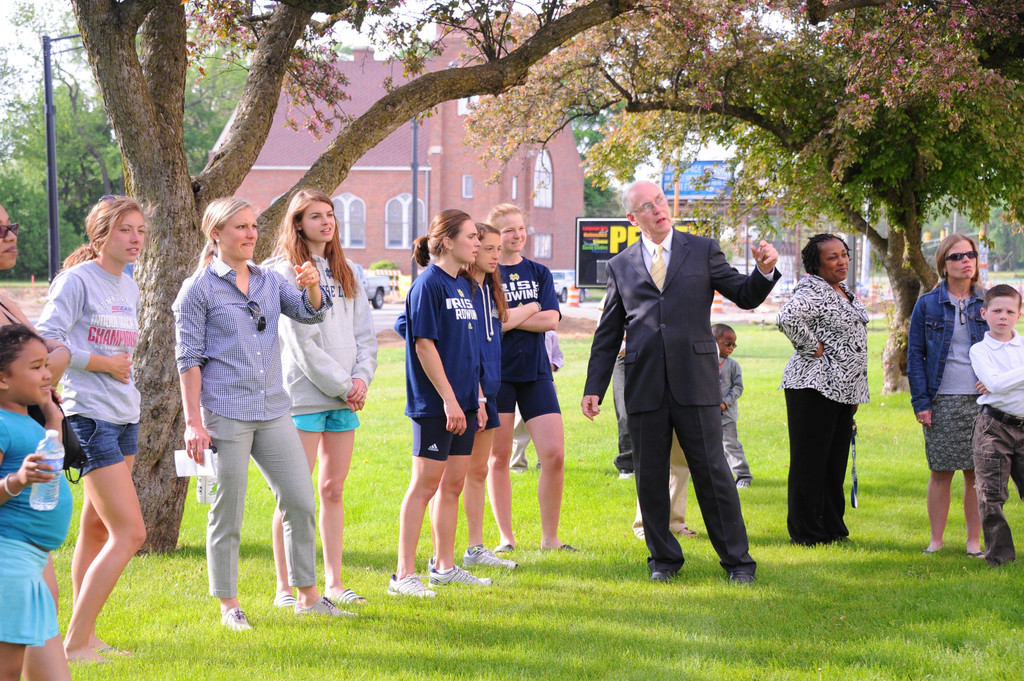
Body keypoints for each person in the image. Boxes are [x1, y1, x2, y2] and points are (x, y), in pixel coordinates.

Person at [582, 180, 779, 583]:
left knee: (713, 474)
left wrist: (763, 271)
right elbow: (608, 333)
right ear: (632, 218)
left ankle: (738, 563)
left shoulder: (702, 249)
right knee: (650, 476)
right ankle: (663, 560)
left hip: (695, 382)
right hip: (643, 384)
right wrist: (593, 388)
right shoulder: (620, 265)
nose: (658, 209)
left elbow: (744, 294)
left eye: (660, 201)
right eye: (647, 206)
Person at [173, 197, 344, 630]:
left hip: (274, 410)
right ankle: (229, 606)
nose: (251, 233)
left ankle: (308, 597)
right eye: (241, 227)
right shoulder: (198, 290)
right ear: (216, 234)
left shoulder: (269, 280)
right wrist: (193, 422)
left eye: (253, 226)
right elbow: (188, 359)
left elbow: (310, 313)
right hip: (225, 413)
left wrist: (311, 285)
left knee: (300, 501)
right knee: (227, 511)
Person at [37, 197, 147, 662]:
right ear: (101, 235)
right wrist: (100, 362)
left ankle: (87, 634)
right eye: (125, 229)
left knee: (99, 527)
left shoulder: (130, 285)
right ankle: (76, 643)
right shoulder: (77, 280)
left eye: (140, 230)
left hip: (125, 415)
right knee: (131, 532)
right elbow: (48, 339)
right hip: (90, 415)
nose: (136, 238)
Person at [267, 189, 378, 607]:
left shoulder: (346, 270)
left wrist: (360, 378)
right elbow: (300, 342)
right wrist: (343, 384)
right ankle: (285, 587)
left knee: (333, 490)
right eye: (316, 216)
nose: (326, 221)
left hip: (345, 397)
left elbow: (365, 335)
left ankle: (334, 583)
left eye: (329, 214)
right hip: (304, 397)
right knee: (294, 496)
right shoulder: (284, 271)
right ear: (298, 223)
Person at [389, 210, 491, 597]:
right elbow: (423, 345)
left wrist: (476, 398)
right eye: (471, 236)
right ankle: (402, 575)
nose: (477, 243)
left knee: (453, 485)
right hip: (436, 405)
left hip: (465, 403)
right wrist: (449, 400)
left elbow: (468, 349)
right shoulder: (428, 284)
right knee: (425, 486)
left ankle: (444, 567)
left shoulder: (462, 285)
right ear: (448, 241)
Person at [0, 205, 72, 679]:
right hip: (10, 551)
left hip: (28, 550)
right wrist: (17, 481)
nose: (10, 235)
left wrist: (49, 414)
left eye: (11, 225)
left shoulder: (6, 300)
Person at [486, 204, 572, 552]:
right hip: (498, 375)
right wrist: (532, 308)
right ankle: (506, 539)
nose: (517, 235)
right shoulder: (486, 273)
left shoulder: (539, 272)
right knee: (499, 457)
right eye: (509, 230)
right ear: (495, 235)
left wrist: (512, 316)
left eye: (520, 228)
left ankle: (550, 539)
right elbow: (494, 323)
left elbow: (551, 320)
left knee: (554, 455)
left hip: (536, 373)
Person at [777, 233, 869, 547]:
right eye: (832, 257)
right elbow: (787, 318)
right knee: (810, 463)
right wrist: (812, 347)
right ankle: (805, 532)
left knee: (834, 463)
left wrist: (854, 392)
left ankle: (832, 527)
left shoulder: (843, 291)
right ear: (816, 265)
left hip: (842, 389)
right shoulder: (812, 289)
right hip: (812, 386)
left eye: (844, 254)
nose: (842, 261)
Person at [907, 234, 985, 556]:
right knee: (940, 472)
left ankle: (973, 543)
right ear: (943, 265)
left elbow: (1007, 347)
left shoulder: (988, 302)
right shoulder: (927, 304)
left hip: (983, 402)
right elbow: (915, 356)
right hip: (942, 401)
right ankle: (936, 540)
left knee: (977, 474)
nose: (966, 260)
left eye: (971, 254)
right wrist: (921, 403)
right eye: (957, 256)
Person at [455, 222, 519, 571]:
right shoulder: (456, 287)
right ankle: (441, 555)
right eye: (488, 248)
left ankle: (475, 547)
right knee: (450, 478)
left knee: (479, 471)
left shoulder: (490, 288)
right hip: (466, 395)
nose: (496, 255)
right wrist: (475, 393)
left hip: (490, 391)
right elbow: (410, 327)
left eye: (497, 248)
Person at [969, 284, 1024, 567]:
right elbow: (993, 383)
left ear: (1019, 314)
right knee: (990, 494)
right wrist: (996, 383)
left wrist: (1000, 381)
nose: (1003, 316)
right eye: (997, 310)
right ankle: (1000, 558)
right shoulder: (979, 350)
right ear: (984, 313)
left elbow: (998, 383)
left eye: (1010, 311)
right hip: (994, 427)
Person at [509, 330, 563, 472]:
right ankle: (518, 463)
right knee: (519, 426)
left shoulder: (550, 334)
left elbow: (558, 357)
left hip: (544, 380)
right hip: (520, 379)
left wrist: (549, 365)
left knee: (547, 429)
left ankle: (543, 463)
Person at [714, 324, 752, 488]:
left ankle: (743, 475)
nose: (731, 348)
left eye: (733, 345)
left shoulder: (732, 365)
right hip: (707, 414)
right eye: (728, 344)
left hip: (726, 415)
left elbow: (737, 388)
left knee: (730, 444)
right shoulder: (703, 362)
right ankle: (717, 475)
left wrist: (725, 402)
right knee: (710, 446)